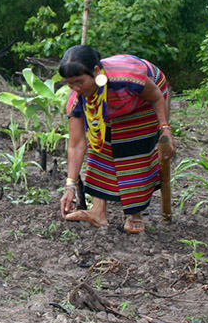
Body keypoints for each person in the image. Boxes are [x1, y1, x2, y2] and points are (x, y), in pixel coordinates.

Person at [58, 45, 175, 234]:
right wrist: (70, 186)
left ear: (96, 72)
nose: (76, 88)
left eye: (80, 81)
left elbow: (155, 97)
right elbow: (77, 145)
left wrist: (165, 128)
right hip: (109, 102)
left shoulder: (126, 76)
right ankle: (98, 212)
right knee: (99, 141)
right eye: (70, 84)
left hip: (145, 99)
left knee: (134, 148)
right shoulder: (77, 100)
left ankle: (134, 213)